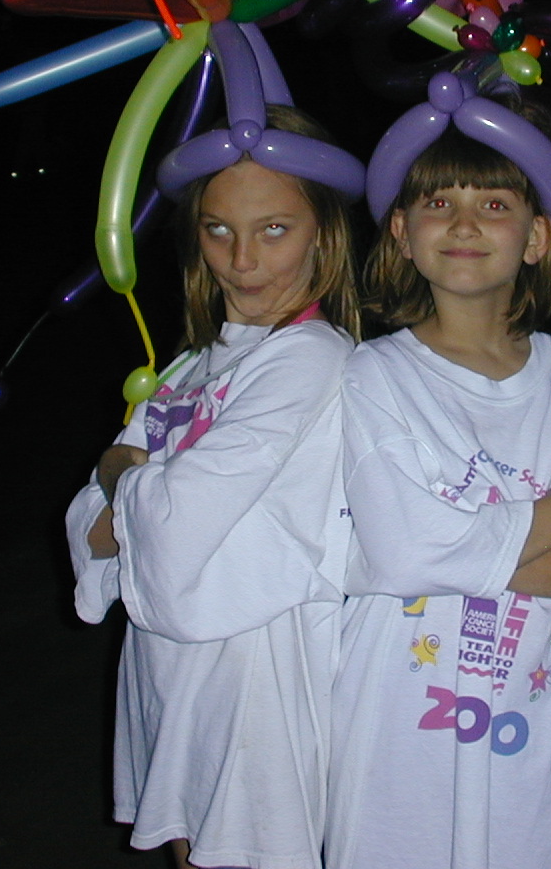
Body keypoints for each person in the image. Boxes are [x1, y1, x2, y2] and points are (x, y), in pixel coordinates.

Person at [327, 86, 551, 869]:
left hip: (540, 740)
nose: (466, 223)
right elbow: (405, 552)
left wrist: (461, 551)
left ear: (539, 237)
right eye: (439, 200)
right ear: (402, 233)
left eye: (495, 203)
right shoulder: (371, 378)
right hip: (396, 735)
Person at [65, 103, 364, 869]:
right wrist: (132, 489)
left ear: (322, 232)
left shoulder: (310, 361)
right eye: (218, 229)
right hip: (168, 669)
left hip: (253, 685)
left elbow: (159, 531)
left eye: (274, 229)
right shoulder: (187, 366)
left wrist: (123, 475)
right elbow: (92, 528)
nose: (242, 260)